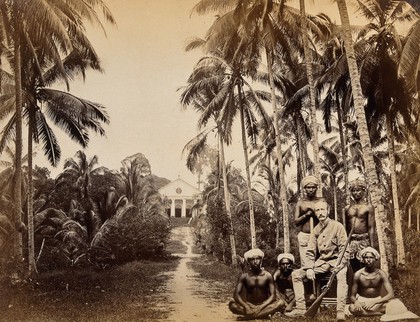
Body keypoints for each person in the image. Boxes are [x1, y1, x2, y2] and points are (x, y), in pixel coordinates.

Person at [286, 200, 349, 321]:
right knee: (296, 274)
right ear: (315, 213)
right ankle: (300, 308)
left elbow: (345, 249)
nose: (320, 213)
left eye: (322, 209)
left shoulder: (338, 226)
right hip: (322, 262)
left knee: (341, 276)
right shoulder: (315, 230)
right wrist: (309, 268)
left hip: (338, 261)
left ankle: (340, 311)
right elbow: (310, 251)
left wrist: (340, 265)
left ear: (328, 211)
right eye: (317, 210)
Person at [348, 246, 418, 320]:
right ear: (363, 259)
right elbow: (352, 296)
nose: (369, 260)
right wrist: (357, 302)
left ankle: (367, 313)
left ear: (376, 259)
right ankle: (379, 313)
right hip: (363, 302)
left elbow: (391, 294)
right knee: (352, 308)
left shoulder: (381, 273)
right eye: (366, 257)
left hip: (378, 302)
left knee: (395, 304)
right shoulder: (358, 274)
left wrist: (374, 302)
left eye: (371, 257)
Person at [228, 248, 283, 320]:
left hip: (264, 305)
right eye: (252, 259)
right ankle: (263, 314)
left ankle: (249, 317)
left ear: (261, 260)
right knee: (232, 306)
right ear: (248, 262)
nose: (255, 261)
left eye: (258, 259)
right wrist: (246, 306)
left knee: (281, 303)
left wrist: (260, 307)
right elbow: (236, 295)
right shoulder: (244, 276)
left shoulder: (267, 275)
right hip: (249, 305)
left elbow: (273, 296)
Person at [345, 178, 376, 272]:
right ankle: (357, 285)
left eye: (358, 190)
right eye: (353, 191)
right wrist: (346, 244)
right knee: (354, 267)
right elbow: (346, 228)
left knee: (366, 267)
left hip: (364, 241)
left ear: (363, 191)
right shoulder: (347, 208)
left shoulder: (368, 207)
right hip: (352, 242)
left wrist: (372, 246)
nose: (355, 193)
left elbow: (371, 228)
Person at [294, 175, 324, 267]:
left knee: (319, 262)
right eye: (308, 187)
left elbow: (326, 218)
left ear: (316, 188)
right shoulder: (301, 203)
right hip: (305, 236)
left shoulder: (322, 201)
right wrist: (307, 215)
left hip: (319, 235)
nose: (311, 190)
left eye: (313, 187)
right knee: (306, 263)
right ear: (304, 189)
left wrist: (315, 212)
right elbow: (296, 222)